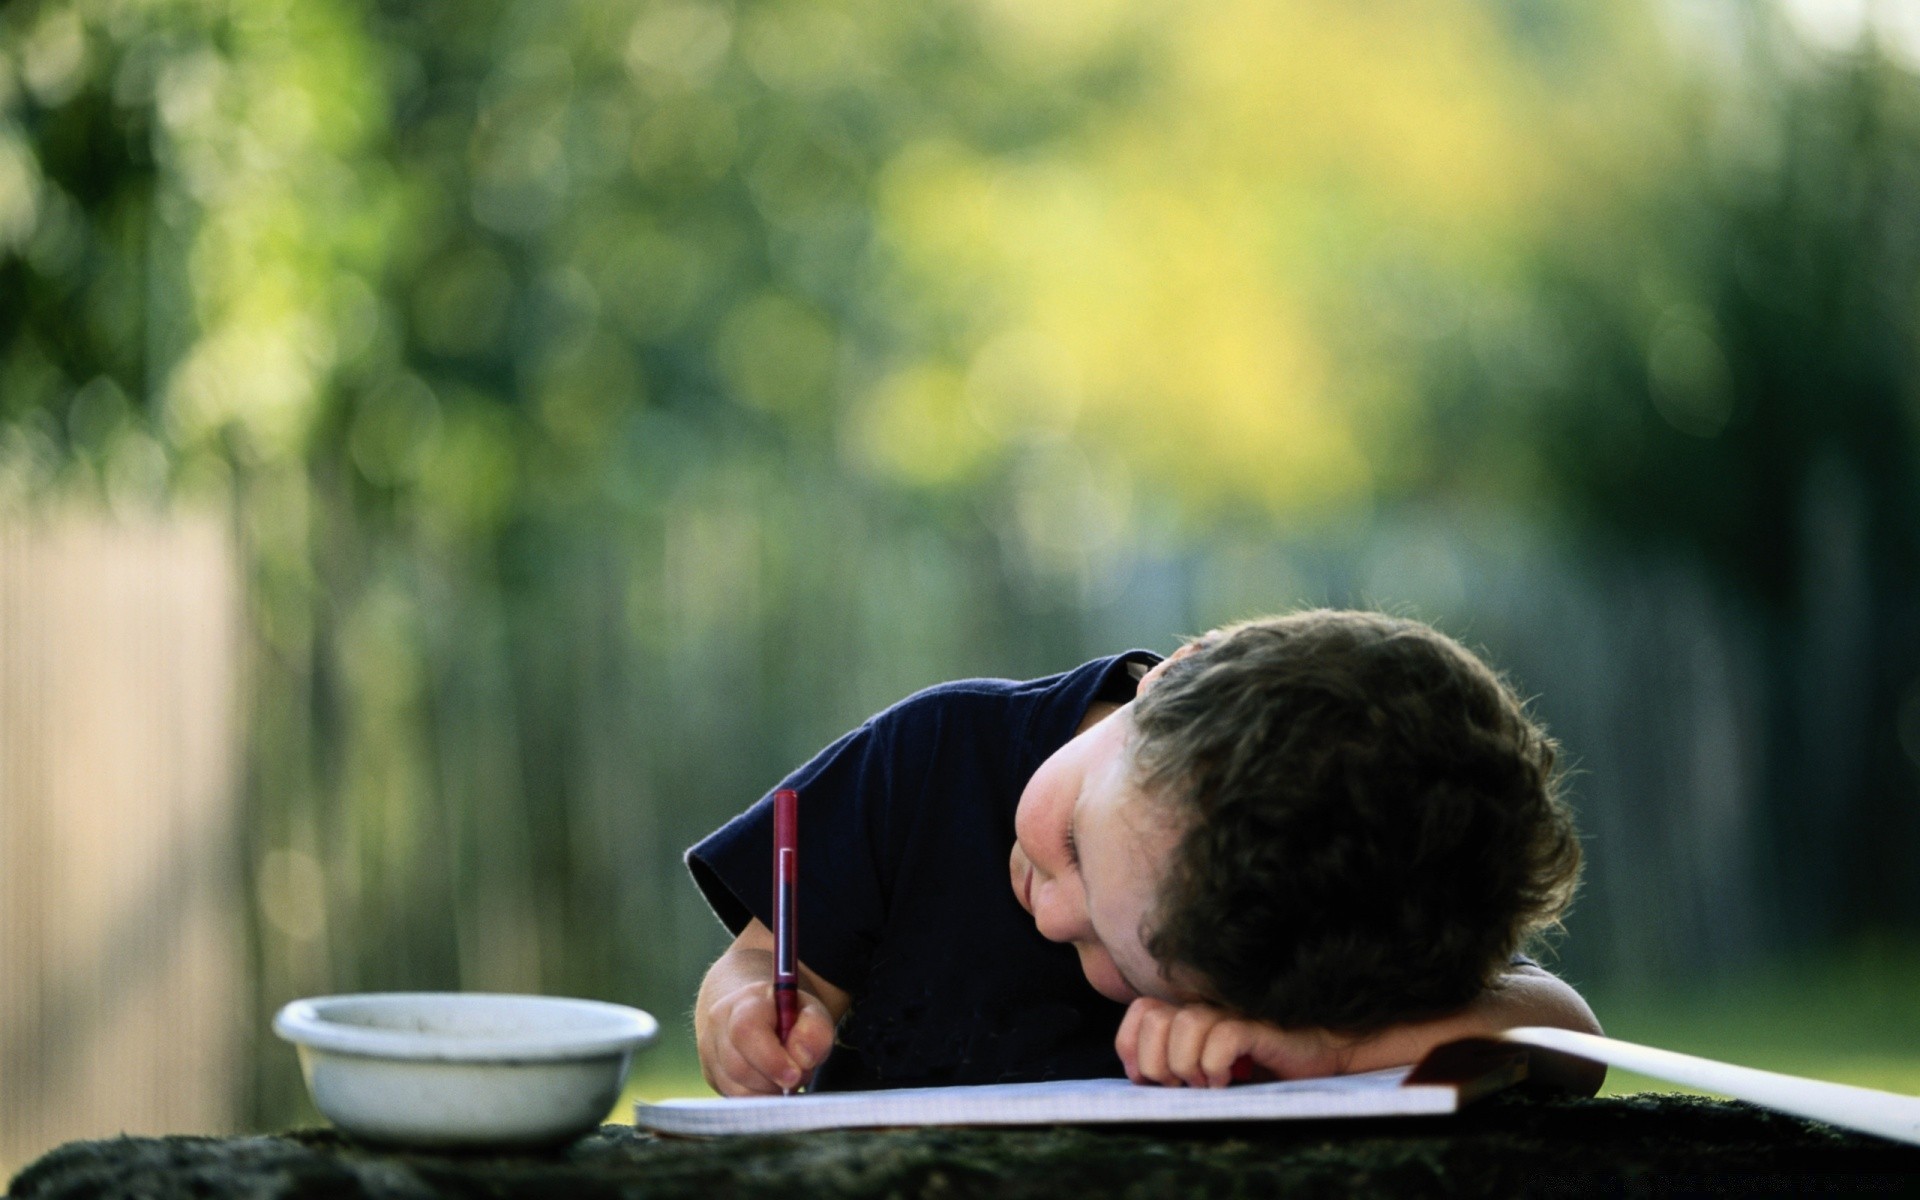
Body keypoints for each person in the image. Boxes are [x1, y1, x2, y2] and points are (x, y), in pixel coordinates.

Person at [689, 610, 1604, 1096]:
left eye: (1114, 958)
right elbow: (762, 960)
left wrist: (1320, 1042)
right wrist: (747, 1012)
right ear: (1169, 674)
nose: (1050, 910)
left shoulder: (1332, 907)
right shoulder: (926, 758)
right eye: (1077, 842)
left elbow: (1565, 1033)